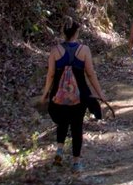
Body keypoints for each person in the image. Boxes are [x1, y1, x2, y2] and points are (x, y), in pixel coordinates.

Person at [39, 17, 108, 174]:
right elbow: (90, 74)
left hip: (58, 95)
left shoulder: (55, 51)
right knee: (77, 127)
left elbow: (50, 75)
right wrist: (100, 94)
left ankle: (59, 151)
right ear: (76, 32)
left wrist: (45, 94)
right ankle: (76, 162)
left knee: (62, 123)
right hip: (80, 96)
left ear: (64, 33)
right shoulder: (84, 50)